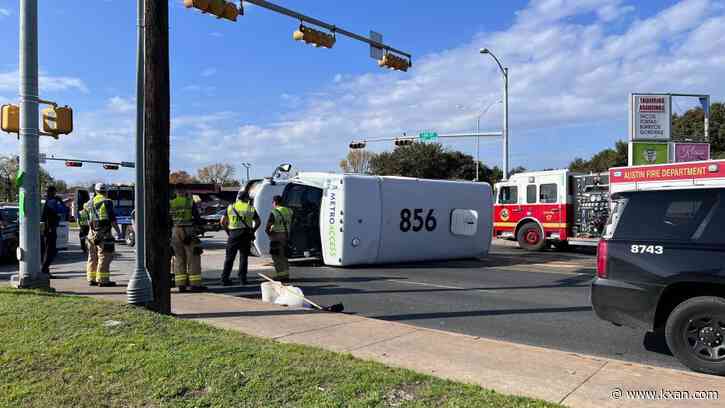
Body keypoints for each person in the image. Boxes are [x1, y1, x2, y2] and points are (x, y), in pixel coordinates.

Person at [220, 190, 260, 286]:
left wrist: (228, 232)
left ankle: (225, 278)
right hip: (246, 234)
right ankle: (242, 279)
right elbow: (258, 221)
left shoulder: (231, 207)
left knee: (229, 258)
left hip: (233, 234)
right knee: (244, 257)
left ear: (238, 198)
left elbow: (222, 222)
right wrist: (253, 231)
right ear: (246, 198)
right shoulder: (250, 208)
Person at [169, 190, 207, 292]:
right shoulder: (190, 202)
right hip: (189, 230)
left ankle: (181, 285)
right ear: (185, 192)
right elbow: (197, 218)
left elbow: (168, 219)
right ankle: (194, 285)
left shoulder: (171, 203)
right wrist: (201, 226)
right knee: (193, 258)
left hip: (175, 231)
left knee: (179, 259)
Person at [86, 183, 121, 287]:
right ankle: (103, 280)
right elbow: (112, 219)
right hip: (104, 233)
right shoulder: (107, 202)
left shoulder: (89, 203)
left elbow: (85, 218)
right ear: (106, 191)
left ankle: (91, 279)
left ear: (96, 191)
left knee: (92, 256)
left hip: (91, 233)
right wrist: (118, 231)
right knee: (104, 257)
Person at [265, 195, 293, 282]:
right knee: (284, 256)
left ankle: (280, 276)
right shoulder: (289, 211)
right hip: (286, 236)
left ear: (275, 202)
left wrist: (269, 234)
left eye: (273, 202)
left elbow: (267, 227)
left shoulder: (274, 212)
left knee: (276, 257)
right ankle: (286, 275)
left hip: (276, 237)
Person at [40, 185, 61, 278]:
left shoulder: (43, 201)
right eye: (54, 192)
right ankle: (44, 270)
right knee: (50, 251)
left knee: (46, 251)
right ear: (52, 192)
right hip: (50, 229)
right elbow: (63, 210)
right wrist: (59, 201)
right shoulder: (51, 201)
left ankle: (45, 271)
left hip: (45, 230)